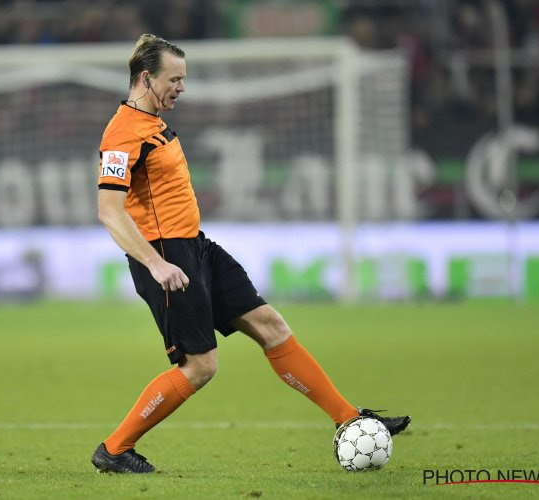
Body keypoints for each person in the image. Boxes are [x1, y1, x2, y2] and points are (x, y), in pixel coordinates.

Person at [91, 34, 410, 474]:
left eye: (184, 79)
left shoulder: (155, 123)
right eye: (174, 79)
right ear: (146, 77)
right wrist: (155, 263)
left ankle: (350, 420)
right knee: (201, 366)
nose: (181, 88)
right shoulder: (122, 134)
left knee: (271, 325)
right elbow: (109, 212)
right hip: (166, 259)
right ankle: (114, 449)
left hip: (195, 247)